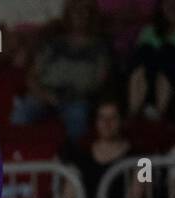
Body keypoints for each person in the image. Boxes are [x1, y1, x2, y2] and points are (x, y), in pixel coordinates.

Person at [13, 0, 113, 142]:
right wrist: (43, 94)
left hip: (77, 98)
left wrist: (75, 91)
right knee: (22, 113)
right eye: (76, 10)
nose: (80, 15)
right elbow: (32, 75)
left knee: (78, 118)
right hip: (46, 94)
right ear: (68, 14)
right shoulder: (53, 43)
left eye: (85, 10)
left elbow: (100, 79)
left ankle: (73, 158)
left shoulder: (99, 47)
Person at [126, 0, 175, 120]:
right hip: (147, 87)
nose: (172, 6)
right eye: (167, 2)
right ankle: (133, 114)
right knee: (145, 49)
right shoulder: (148, 31)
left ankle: (159, 115)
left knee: (168, 51)